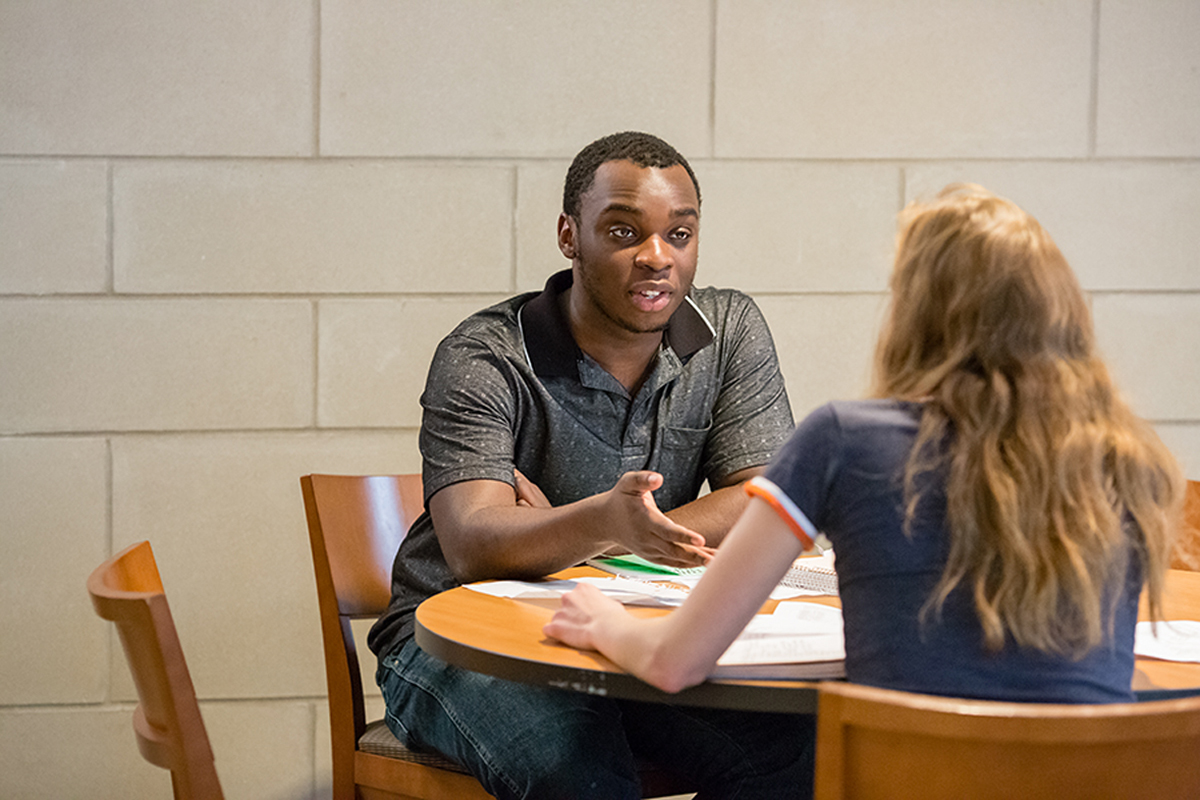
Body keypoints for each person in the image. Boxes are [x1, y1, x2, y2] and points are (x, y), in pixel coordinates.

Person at [545, 184, 1185, 714]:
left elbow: (673, 662)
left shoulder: (846, 440)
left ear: (917, 312)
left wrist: (602, 620)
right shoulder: (1130, 460)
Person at [368, 131, 813, 799]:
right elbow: (474, 547)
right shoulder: (485, 357)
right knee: (574, 765)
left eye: (680, 234)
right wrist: (612, 522)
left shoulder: (728, 331)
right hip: (455, 637)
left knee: (799, 752)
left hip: (626, 626)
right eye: (624, 231)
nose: (657, 257)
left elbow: (767, 499)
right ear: (569, 235)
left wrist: (596, 539)